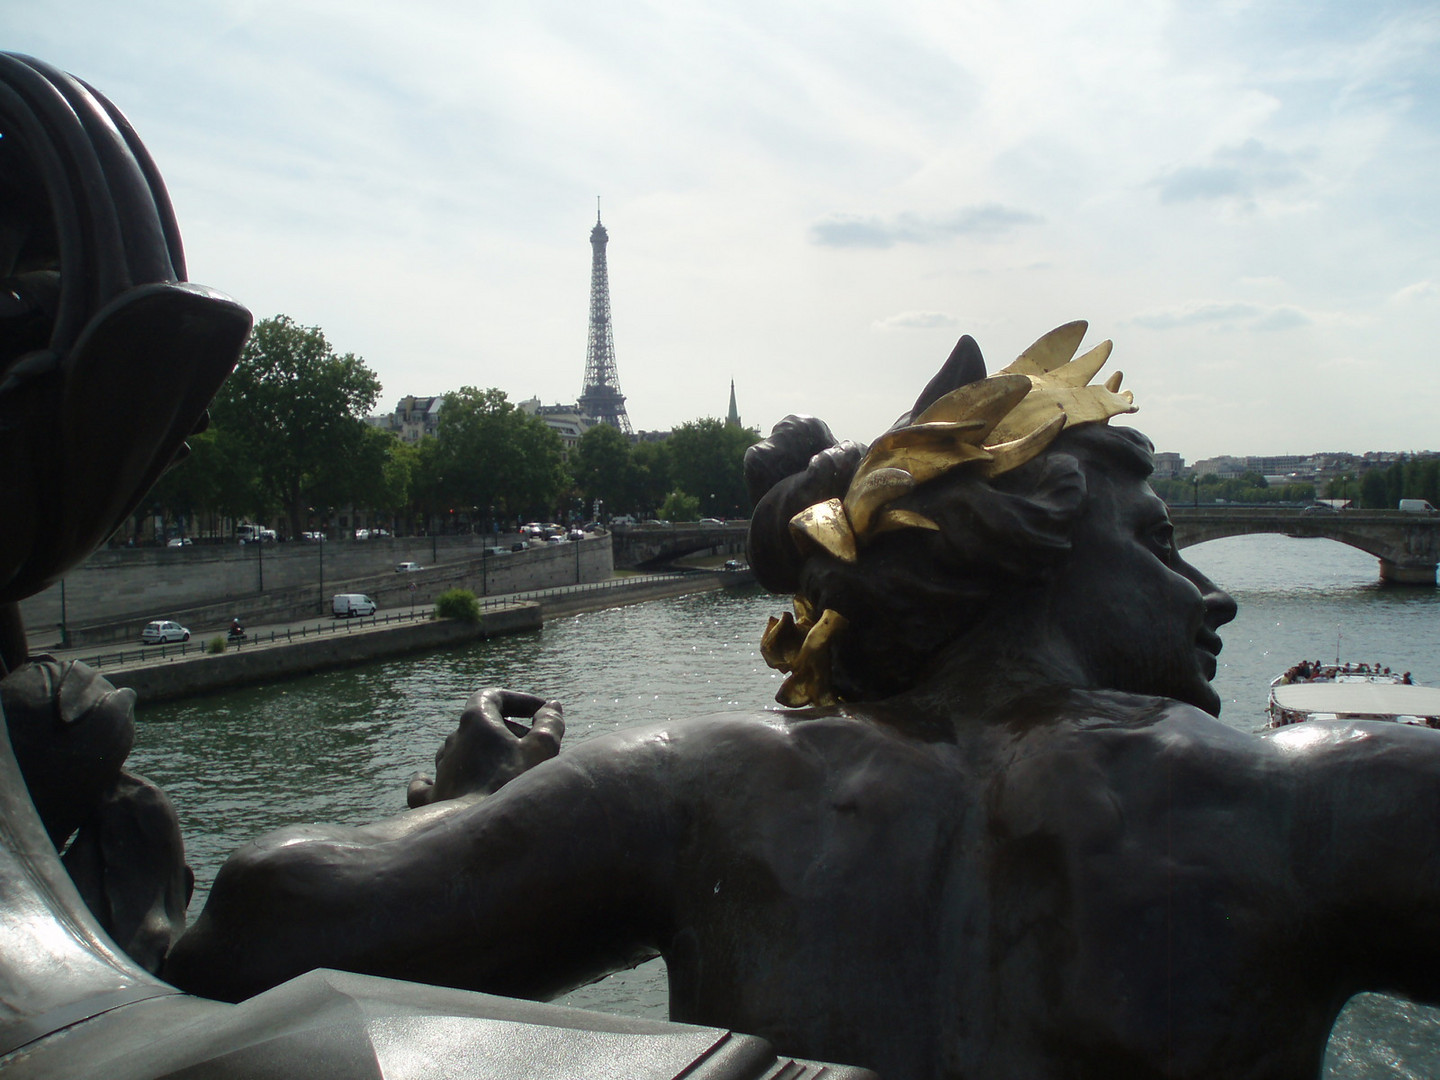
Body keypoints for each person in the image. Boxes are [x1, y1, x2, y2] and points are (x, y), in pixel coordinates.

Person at [165, 325, 1440, 1080]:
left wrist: (474, 819)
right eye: (1162, 542)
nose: (1206, 597)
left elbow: (256, 929)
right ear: (1032, 541)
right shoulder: (1313, 800)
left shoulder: (696, 784)